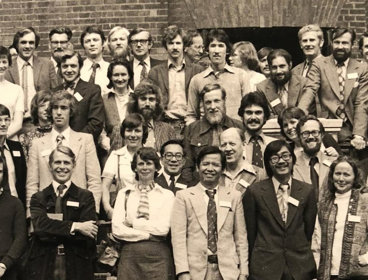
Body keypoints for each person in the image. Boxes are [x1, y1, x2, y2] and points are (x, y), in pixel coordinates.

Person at [171, 146, 249, 280]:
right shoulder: (184, 196)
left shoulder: (234, 196)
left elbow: (240, 237)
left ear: (223, 169)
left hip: (228, 271)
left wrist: (243, 272)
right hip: (195, 271)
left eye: (216, 165)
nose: (210, 169)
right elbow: (178, 238)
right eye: (205, 164)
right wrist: (183, 272)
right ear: (197, 167)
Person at [243, 140, 317, 280]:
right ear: (268, 163)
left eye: (285, 156)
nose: (281, 161)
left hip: (299, 266)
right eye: (275, 158)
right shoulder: (255, 192)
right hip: (265, 267)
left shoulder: (307, 191)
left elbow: (308, 230)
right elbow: (251, 232)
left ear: (292, 159)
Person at [28, 145, 98, 280]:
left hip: (77, 263)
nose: (62, 167)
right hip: (45, 263)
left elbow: (87, 234)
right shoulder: (38, 198)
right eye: (57, 162)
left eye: (66, 162)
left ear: (74, 165)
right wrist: (76, 226)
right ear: (50, 165)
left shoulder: (85, 197)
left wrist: (52, 229)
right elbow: (40, 227)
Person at [26, 90, 101, 214]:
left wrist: (92, 211)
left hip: (79, 211)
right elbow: (32, 184)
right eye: (55, 108)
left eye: (64, 108)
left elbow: (94, 180)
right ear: (50, 111)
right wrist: (31, 216)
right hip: (46, 212)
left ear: (70, 111)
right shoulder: (37, 144)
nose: (59, 112)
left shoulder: (85, 140)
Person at [298, 28, 368, 149]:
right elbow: (310, 90)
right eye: (337, 42)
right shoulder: (319, 64)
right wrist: (298, 118)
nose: (340, 46)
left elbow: (361, 102)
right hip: (327, 127)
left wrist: (359, 135)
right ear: (331, 43)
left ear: (352, 45)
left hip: (352, 127)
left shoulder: (361, 68)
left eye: (345, 43)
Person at [112, 147, 175, 280]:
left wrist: (133, 223)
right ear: (135, 168)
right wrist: (148, 234)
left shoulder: (167, 195)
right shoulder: (124, 194)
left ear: (157, 167)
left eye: (149, 163)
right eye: (141, 163)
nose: (144, 167)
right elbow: (117, 229)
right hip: (130, 257)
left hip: (158, 257)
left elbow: (163, 229)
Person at [186, 28, 251, 124]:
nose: (216, 51)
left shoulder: (241, 76)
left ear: (227, 50)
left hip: (235, 133)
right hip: (207, 134)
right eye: (213, 46)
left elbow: (248, 109)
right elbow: (191, 115)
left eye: (220, 46)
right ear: (207, 50)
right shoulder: (197, 80)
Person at [318, 156, 368, 279]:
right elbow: (317, 237)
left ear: (355, 177)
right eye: (338, 174)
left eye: (346, 174)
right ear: (331, 176)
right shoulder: (325, 203)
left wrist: (366, 257)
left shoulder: (365, 201)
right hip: (329, 272)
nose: (341, 179)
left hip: (358, 273)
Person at [183, 83, 243, 181]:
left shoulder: (239, 126)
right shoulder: (191, 129)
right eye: (208, 102)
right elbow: (187, 167)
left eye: (216, 101)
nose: (213, 106)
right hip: (201, 185)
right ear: (202, 104)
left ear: (224, 101)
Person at [148, 25, 203, 131]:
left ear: (184, 46)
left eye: (178, 43)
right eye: (170, 43)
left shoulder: (198, 71)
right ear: (165, 46)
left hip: (191, 124)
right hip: (165, 124)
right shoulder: (155, 72)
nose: (174, 47)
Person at [102, 113, 148, 219]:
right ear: (123, 132)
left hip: (146, 210)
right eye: (129, 130)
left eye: (137, 131)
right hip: (122, 210)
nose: (133, 135)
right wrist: (108, 208)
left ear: (143, 133)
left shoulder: (152, 155)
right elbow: (105, 186)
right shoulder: (116, 156)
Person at [5, 27, 58, 116]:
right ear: (17, 45)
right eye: (23, 42)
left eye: (31, 43)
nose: (27, 46)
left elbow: (56, 93)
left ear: (35, 45)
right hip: (14, 120)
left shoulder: (47, 64)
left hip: (41, 120)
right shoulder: (8, 67)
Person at [54, 50, 104, 141]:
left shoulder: (92, 90)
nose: (69, 70)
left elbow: (96, 123)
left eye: (73, 66)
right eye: (65, 66)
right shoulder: (54, 92)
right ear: (60, 69)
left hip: (83, 144)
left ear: (80, 67)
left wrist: (75, 140)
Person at [293, 115, 338, 201]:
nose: (310, 137)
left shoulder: (334, 161)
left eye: (314, 132)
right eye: (305, 133)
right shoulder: (292, 163)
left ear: (322, 135)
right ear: (299, 137)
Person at [256, 49, 308, 116]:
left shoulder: (303, 83)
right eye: (274, 67)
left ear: (290, 65)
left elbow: (305, 113)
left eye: (282, 66)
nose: (278, 71)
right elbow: (265, 116)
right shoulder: (261, 88)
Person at [127, 80, 176, 151]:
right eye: (143, 99)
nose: (147, 103)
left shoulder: (168, 130)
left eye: (151, 99)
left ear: (157, 103)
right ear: (135, 102)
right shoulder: (123, 128)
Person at [239, 91, 277, 180]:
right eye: (249, 112)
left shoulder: (274, 144)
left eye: (258, 112)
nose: (253, 117)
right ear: (242, 116)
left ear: (265, 117)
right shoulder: (236, 145)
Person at [0, 156, 27, 280]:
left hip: (7, 268)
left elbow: (20, 239)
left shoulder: (15, 204)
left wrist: (4, 264)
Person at [277, 107, 341, 154]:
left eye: (292, 122)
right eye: (285, 125)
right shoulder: (288, 149)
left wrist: (336, 156)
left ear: (302, 122)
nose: (289, 127)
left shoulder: (324, 138)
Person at [102, 60, 134, 151]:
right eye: (116, 75)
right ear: (110, 77)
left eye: (123, 74)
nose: (120, 79)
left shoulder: (136, 98)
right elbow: (101, 126)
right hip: (110, 147)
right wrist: (104, 140)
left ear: (129, 76)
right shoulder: (104, 99)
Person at [0, 104, 27, 208]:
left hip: (16, 206)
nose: (3, 124)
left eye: (6, 119)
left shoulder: (16, 147)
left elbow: (23, 178)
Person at [219, 127, 259, 196]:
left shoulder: (259, 174)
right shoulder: (216, 174)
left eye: (232, 144)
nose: (227, 149)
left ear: (243, 145)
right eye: (224, 145)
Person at [19, 91, 52, 160]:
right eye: (42, 105)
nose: (46, 109)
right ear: (36, 109)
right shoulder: (25, 137)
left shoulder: (60, 134)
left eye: (50, 106)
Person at [0, 46, 24, 139]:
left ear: (9, 64)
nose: (1, 66)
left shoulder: (16, 90)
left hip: (10, 139)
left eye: (4, 62)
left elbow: (18, 123)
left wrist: (3, 139)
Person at [80, 26, 109, 93]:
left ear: (103, 43)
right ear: (83, 46)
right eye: (87, 41)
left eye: (95, 40)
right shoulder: (79, 69)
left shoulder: (110, 68)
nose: (92, 44)